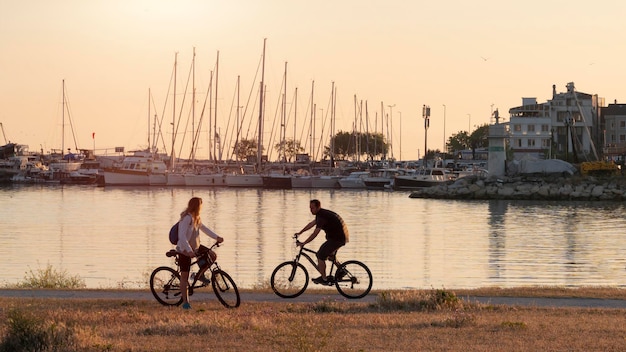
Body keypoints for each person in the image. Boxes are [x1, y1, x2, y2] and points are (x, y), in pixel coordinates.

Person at [176, 197, 224, 310]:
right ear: (197, 206)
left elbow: (204, 229)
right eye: (201, 205)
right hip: (184, 249)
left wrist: (216, 237)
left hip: (195, 247)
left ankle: (199, 275)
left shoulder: (196, 218)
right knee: (184, 276)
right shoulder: (186, 218)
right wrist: (188, 251)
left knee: (212, 256)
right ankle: (185, 303)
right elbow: (182, 236)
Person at [295, 199, 349, 285]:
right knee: (330, 256)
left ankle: (324, 279)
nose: (311, 210)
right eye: (310, 208)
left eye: (312, 208)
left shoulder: (322, 217)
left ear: (318, 207)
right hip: (339, 237)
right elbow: (311, 224)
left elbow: (315, 233)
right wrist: (300, 232)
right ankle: (342, 270)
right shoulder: (321, 214)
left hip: (337, 239)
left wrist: (304, 243)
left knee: (320, 255)